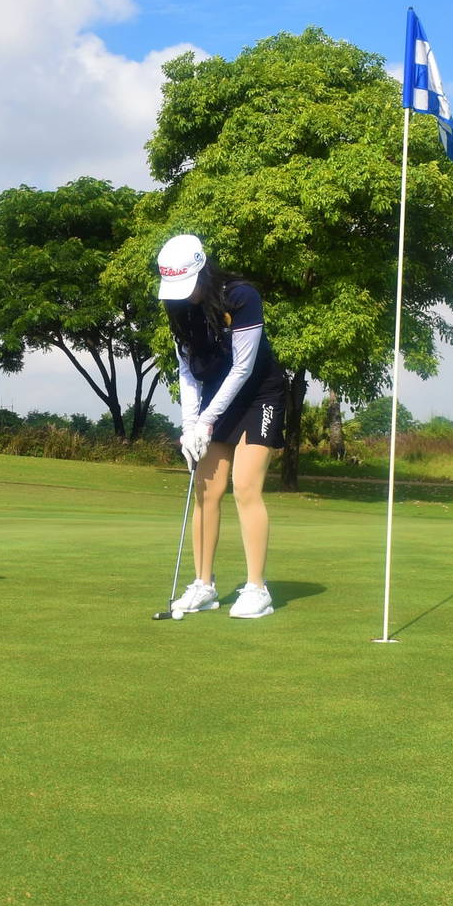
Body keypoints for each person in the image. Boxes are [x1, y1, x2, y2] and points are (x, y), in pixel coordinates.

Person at [157, 233, 288, 619]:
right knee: (206, 491)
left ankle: (256, 589)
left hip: (260, 394)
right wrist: (190, 426)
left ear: (202, 271)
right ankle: (203, 585)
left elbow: (244, 367)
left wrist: (207, 420)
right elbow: (187, 371)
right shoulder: (178, 307)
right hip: (218, 396)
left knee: (245, 486)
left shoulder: (242, 297)